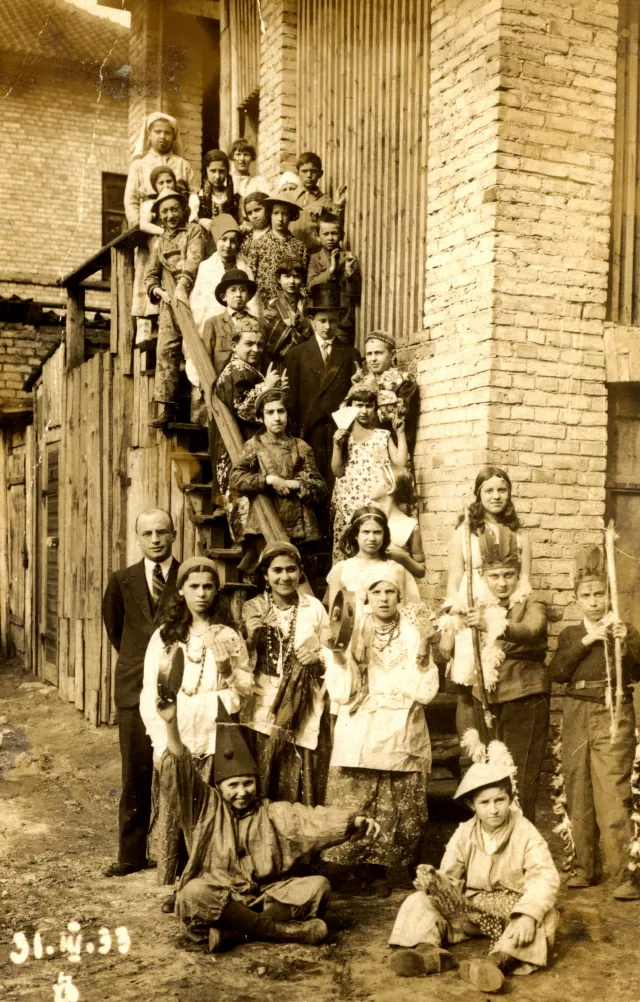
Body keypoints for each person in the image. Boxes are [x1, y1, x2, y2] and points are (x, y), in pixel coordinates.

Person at [156, 696, 381, 951]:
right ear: (219, 786)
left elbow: (310, 820)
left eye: (248, 783)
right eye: (233, 785)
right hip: (219, 896)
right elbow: (180, 771)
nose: (242, 792)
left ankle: (235, 934)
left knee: (318, 887)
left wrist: (355, 820)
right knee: (192, 893)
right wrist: (171, 724)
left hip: (262, 896)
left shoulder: (271, 812)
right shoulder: (203, 807)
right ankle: (280, 931)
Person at [388, 730, 559, 988]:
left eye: (500, 800)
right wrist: (435, 882)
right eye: (485, 802)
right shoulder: (465, 832)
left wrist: (527, 915)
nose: (494, 809)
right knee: (419, 901)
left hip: (510, 911)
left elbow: (544, 877)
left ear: (510, 799)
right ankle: (427, 953)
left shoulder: (525, 831)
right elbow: (451, 879)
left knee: (545, 918)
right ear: (472, 805)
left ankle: (496, 962)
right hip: (472, 910)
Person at [322, 566, 439, 897]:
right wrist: (338, 656)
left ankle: (383, 872)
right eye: (376, 592)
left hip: (401, 723)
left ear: (399, 596)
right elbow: (342, 692)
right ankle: (350, 868)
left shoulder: (414, 631)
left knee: (395, 801)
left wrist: (423, 649)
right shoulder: (352, 631)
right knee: (356, 795)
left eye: (389, 592)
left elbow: (425, 691)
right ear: (366, 597)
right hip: (360, 722)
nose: (383, 598)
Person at [139, 557, 252, 895]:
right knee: (176, 802)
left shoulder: (228, 635)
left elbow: (244, 690)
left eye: (208, 587)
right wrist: (160, 738)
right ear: (182, 591)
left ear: (217, 592)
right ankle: (172, 880)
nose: (201, 593)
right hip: (177, 727)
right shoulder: (165, 636)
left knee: (210, 805)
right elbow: (150, 689)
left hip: (214, 728)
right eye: (194, 587)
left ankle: (207, 876)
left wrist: (226, 668)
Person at [438, 525, 549, 822]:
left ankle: (523, 843)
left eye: (509, 575)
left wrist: (492, 626)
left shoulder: (531, 603)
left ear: (518, 576)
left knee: (521, 775)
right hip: (485, 695)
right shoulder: (477, 606)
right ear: (484, 577)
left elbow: (532, 631)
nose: (502, 583)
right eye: (495, 576)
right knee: (491, 772)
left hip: (524, 696)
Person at [549, 545, 640, 900]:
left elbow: (637, 671)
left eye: (599, 594)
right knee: (577, 786)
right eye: (585, 596)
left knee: (613, 789)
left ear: (608, 595)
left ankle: (624, 874)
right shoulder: (571, 635)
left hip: (612, 710)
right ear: (577, 599)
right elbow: (557, 673)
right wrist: (588, 640)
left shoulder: (624, 630)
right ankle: (584, 869)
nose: (593, 601)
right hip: (575, 712)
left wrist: (626, 644)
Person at [101, 508, 179, 877]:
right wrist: (142, 664)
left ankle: (180, 855)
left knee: (180, 768)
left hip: (178, 687)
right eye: (147, 533)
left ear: (173, 534)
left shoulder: (189, 576)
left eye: (162, 532)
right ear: (138, 538)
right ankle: (131, 855)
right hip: (134, 686)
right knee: (135, 771)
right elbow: (115, 629)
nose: (155, 539)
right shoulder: (122, 579)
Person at [240, 542, 332, 804]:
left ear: (300, 572)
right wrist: (250, 638)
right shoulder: (252, 607)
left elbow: (332, 652)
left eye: (291, 569)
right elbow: (239, 662)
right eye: (277, 570)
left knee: (300, 771)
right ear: (265, 575)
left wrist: (318, 657)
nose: (284, 577)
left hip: (304, 702)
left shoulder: (313, 607)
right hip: (264, 701)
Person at [444, 466, 532, 737]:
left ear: (510, 493)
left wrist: (511, 617)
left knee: (498, 681)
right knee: (467, 687)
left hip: (503, 614)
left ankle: (498, 750)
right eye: (489, 490)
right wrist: (450, 623)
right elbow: (454, 580)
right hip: (470, 610)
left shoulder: (519, 534)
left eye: (502, 490)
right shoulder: (464, 532)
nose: (496, 496)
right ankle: (471, 755)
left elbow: (525, 582)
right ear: (478, 494)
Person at [124, 113, 195, 349]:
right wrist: (140, 228)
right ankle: (146, 328)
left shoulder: (182, 165)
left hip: (178, 226)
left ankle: (180, 324)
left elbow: (192, 195)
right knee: (148, 271)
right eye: (157, 132)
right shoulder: (139, 165)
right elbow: (131, 199)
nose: (162, 137)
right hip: (151, 228)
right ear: (149, 135)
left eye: (167, 132)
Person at [228, 388, 327, 550]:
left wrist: (293, 484)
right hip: (264, 523)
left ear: (288, 414)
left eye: (281, 411)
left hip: (300, 527)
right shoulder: (253, 446)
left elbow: (321, 488)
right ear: (261, 417)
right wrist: (268, 480)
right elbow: (235, 479)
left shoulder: (301, 447)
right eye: (270, 412)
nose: (277, 418)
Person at [285, 283, 360, 491]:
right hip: (309, 432)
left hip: (340, 432)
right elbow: (291, 399)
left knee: (339, 485)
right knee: (312, 487)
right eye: (322, 321)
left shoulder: (350, 354)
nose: (328, 327)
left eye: (333, 321)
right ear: (312, 320)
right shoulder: (296, 355)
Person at [144, 189, 205, 428]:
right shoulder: (159, 243)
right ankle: (167, 407)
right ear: (159, 215)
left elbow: (194, 259)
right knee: (166, 348)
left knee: (195, 351)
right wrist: (161, 293)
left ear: (183, 210)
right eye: (165, 211)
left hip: (195, 294)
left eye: (174, 209)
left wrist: (182, 286)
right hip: (171, 301)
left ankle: (200, 413)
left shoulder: (194, 230)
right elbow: (150, 276)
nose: (170, 215)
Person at [331, 383, 408, 563]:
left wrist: (401, 433)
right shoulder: (344, 436)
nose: (364, 411)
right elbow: (337, 470)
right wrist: (336, 445)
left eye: (369, 406)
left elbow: (400, 462)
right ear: (350, 407)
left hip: (375, 501)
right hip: (348, 504)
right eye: (359, 406)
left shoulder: (383, 435)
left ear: (375, 408)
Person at [212, 319, 284, 504]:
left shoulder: (248, 369)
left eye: (260, 344)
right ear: (234, 346)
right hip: (237, 443)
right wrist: (266, 387)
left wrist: (276, 390)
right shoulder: (235, 371)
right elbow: (244, 409)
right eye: (249, 344)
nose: (256, 349)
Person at [325, 507, 421, 622]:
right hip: (354, 635)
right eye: (366, 532)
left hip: (389, 635)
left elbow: (406, 613)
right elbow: (334, 618)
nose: (372, 538)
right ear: (356, 534)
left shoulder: (396, 569)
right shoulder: (341, 569)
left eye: (377, 532)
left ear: (384, 534)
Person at [190, 214, 259, 335]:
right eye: (224, 239)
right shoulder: (206, 267)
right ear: (216, 239)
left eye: (233, 241)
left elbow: (252, 303)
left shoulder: (245, 268)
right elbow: (201, 304)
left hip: (243, 326)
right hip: (217, 328)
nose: (228, 245)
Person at [246, 193, 309, 308]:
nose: (280, 219)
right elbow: (250, 279)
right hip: (264, 307)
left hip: (292, 308)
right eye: (276, 213)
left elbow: (303, 283)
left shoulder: (300, 247)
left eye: (284, 214)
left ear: (290, 216)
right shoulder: (258, 244)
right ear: (269, 215)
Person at [307, 211, 360, 343]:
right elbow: (310, 286)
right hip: (320, 321)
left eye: (334, 233)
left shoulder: (348, 258)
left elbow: (354, 295)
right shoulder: (314, 258)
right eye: (325, 234)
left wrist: (349, 274)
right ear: (318, 236)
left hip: (342, 322)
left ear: (341, 235)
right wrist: (331, 271)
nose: (330, 238)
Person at [368, 464, 426, 579]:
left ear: (390, 488)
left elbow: (421, 571)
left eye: (376, 480)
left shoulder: (409, 526)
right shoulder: (368, 519)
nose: (371, 484)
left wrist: (403, 558)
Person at [202, 268, 260, 377]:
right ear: (224, 297)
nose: (238, 294)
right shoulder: (213, 323)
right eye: (233, 290)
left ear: (248, 296)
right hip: (223, 384)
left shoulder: (257, 323)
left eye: (242, 290)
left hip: (251, 382)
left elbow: (262, 358)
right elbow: (206, 362)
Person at [290, 152, 347, 249]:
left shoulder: (325, 201)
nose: (309, 175)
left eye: (313, 171)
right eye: (304, 171)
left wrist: (337, 205)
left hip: (314, 254)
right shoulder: (289, 197)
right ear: (297, 174)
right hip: (291, 252)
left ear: (320, 174)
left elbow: (332, 224)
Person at [263, 260, 313, 371]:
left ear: (302, 279)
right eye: (287, 276)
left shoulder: (309, 304)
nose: (292, 281)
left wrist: (299, 324)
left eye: (296, 276)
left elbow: (316, 334)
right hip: (280, 363)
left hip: (307, 361)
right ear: (278, 279)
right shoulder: (271, 306)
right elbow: (272, 342)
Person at [196, 150, 239, 236]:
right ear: (206, 171)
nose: (217, 176)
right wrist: (201, 221)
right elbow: (192, 223)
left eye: (222, 171)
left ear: (227, 172)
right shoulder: (197, 198)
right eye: (213, 171)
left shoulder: (236, 198)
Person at [228, 139, 269, 223]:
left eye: (246, 155)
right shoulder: (226, 181)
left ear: (252, 158)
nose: (242, 159)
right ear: (232, 157)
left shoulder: (259, 182)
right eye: (238, 154)